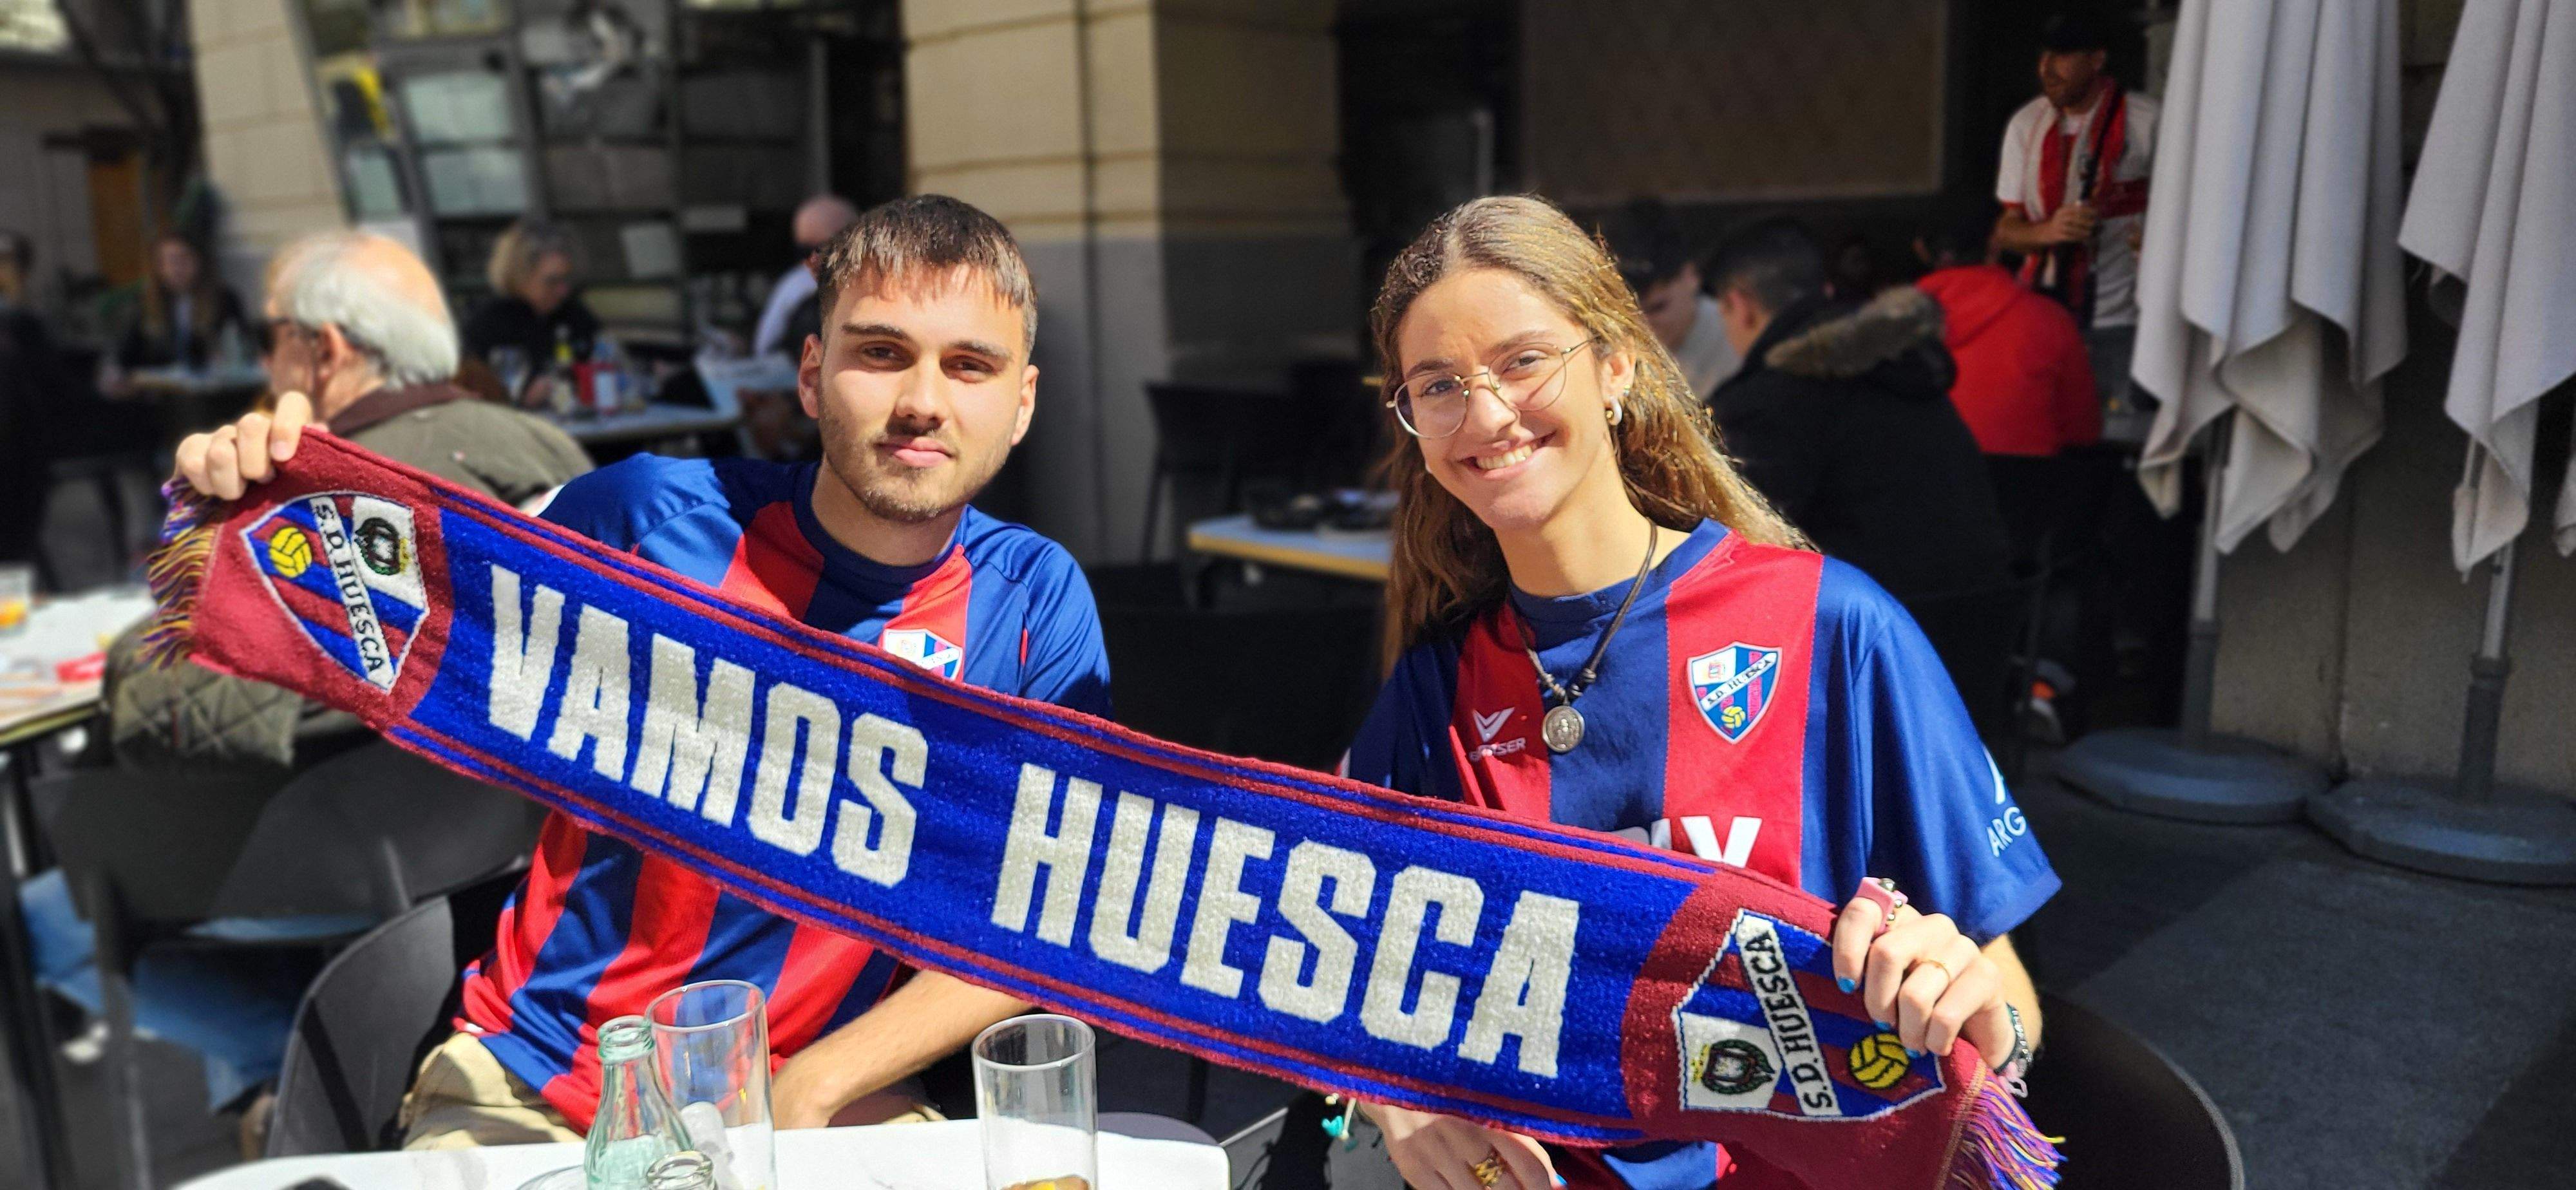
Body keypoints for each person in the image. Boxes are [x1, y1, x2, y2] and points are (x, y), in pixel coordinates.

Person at [169, 195, 1110, 1146]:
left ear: (1021, 403)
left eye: (969, 366)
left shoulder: (1036, 604)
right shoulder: (644, 521)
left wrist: (818, 1085)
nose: (922, 400)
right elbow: (412, 610)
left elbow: (1042, 920)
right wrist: (253, 504)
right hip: (546, 1086)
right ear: (814, 375)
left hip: (823, 1100)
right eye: (880, 353)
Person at [1340, 195, 2054, 1190]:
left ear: (1618, 364)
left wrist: (1977, 1013)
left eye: (1521, 360)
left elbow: (2009, 997)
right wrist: (1390, 1098)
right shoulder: (1437, 682)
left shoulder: (1834, 629)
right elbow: (1345, 964)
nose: (1487, 413)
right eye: (1439, 385)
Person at [22, 230, 591, 1141]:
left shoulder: (299, 489)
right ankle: (298, 1080)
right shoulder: (554, 450)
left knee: (35, 917)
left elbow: (157, 703)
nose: (260, 356)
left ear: (321, 350)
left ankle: (273, 1063)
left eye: (271, 331)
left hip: (324, 859)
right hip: (505, 853)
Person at [1701, 217, 2012, 603]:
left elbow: (1732, 548)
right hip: (1986, 609)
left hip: (1875, 633)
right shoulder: (1901, 362)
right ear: (1825, 290)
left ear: (1738, 304)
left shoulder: (1769, 400)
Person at [1991, 10, 2159, 443]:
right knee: (2048, 439)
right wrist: (2048, 232)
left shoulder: (2148, 121)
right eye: (2044, 54)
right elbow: (2004, 232)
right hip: (2044, 316)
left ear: (2097, 59)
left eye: (2063, 55)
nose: (2047, 67)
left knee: (2121, 439)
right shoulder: (2026, 125)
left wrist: (2153, 239)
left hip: (2126, 320)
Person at [1913, 201, 2099, 460]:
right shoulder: (2051, 320)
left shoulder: (1885, 331)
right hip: (2030, 491)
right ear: (1995, 245)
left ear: (1920, 250)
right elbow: (2083, 432)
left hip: (1928, 492)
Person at [1599, 198, 1738, 398]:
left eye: (1658, 308)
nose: (1644, 326)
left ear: (1692, 276)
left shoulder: (1736, 337)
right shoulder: (1609, 347)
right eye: (1630, 313)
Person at [461, 220, 603, 372]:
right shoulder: (487, 327)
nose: (563, 291)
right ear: (520, 276)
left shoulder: (575, 317)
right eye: (552, 282)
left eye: (566, 280)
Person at [112, 232, 250, 373]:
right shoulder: (144, 303)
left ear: (199, 261)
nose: (177, 268)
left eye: (184, 259)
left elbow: (242, 343)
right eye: (170, 261)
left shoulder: (224, 299)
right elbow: (126, 355)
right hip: (161, 389)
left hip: (212, 386)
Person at [754, 194, 861, 358]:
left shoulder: (795, 285)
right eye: (806, 250)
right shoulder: (796, 286)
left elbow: (764, 347)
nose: (813, 261)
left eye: (820, 249)